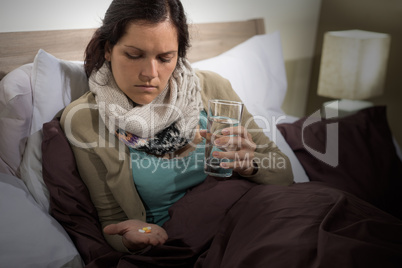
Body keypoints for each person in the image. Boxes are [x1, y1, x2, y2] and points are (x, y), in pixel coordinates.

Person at [60, 0, 293, 254]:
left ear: (178, 54)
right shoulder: (85, 120)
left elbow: (283, 172)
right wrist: (137, 236)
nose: (150, 72)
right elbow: (113, 222)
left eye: (165, 58)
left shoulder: (212, 88)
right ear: (108, 49)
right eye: (134, 55)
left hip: (258, 218)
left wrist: (251, 165)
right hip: (190, 246)